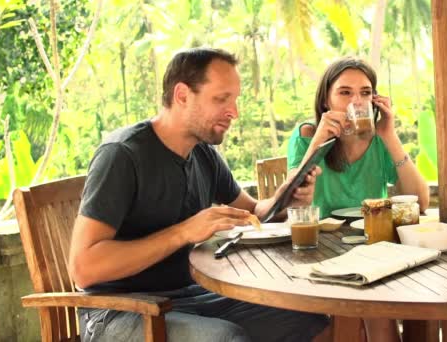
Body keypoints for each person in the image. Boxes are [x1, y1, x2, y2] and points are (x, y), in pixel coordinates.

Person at [69, 47, 329, 342]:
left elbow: (253, 213)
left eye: (234, 100)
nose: (234, 112)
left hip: (188, 297)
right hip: (117, 311)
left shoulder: (203, 153)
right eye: (221, 99)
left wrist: (285, 198)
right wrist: (184, 232)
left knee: (309, 320)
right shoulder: (122, 155)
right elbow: (84, 268)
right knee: (224, 339)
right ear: (182, 95)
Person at [287, 57, 429, 218]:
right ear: (326, 99)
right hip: (321, 236)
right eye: (345, 92)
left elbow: (421, 203)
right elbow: (292, 199)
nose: (357, 101)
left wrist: (390, 135)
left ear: (374, 100)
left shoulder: (381, 139)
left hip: (373, 234)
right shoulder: (306, 135)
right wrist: (318, 142)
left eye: (365, 93)